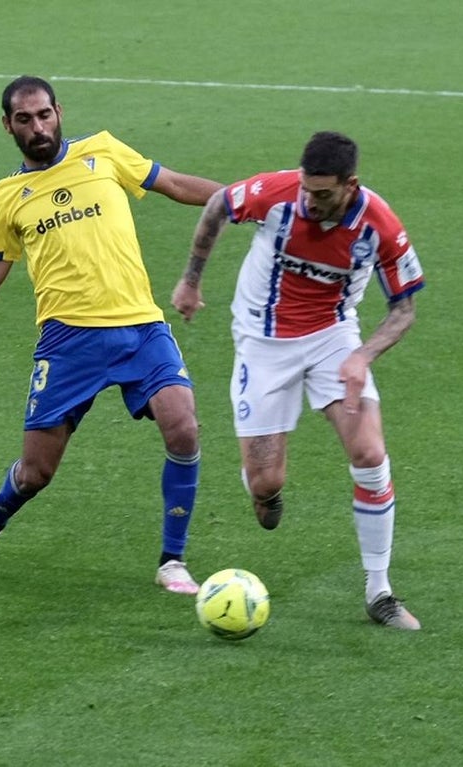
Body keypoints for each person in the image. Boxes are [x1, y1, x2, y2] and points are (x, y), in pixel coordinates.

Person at [0, 75, 223, 594]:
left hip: (140, 328)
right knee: (36, 473)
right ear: (8, 125)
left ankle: (173, 561)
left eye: (44, 115)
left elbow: (176, 185)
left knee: (184, 428)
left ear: (59, 111)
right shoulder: (9, 198)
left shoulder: (104, 151)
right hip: (68, 343)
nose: (38, 127)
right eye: (25, 120)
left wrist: (246, 200)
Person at [171, 131, 424, 629]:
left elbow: (404, 308)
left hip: (333, 338)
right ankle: (264, 491)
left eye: (323, 194)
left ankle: (380, 591)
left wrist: (363, 356)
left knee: (370, 453)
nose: (310, 201)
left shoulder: (381, 227)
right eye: (307, 189)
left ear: (351, 185)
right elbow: (220, 204)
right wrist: (191, 279)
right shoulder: (278, 195)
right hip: (263, 345)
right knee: (266, 484)